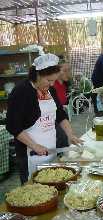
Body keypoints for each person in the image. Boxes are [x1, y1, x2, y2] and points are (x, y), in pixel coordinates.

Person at [6, 53, 82, 184]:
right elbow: (13, 126)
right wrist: (34, 146)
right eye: (49, 80)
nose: (52, 84)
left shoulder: (49, 90)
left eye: (54, 80)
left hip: (50, 150)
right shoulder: (21, 91)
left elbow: (60, 114)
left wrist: (70, 134)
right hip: (30, 154)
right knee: (32, 191)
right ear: (38, 75)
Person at [53, 57, 72, 148]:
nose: (68, 73)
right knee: (62, 139)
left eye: (69, 70)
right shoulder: (52, 85)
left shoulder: (63, 84)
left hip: (61, 115)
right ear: (57, 71)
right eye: (65, 70)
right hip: (54, 118)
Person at [91, 48, 103, 115]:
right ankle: (99, 111)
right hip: (98, 80)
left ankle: (99, 110)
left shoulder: (102, 58)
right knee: (98, 95)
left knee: (97, 94)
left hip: (97, 79)